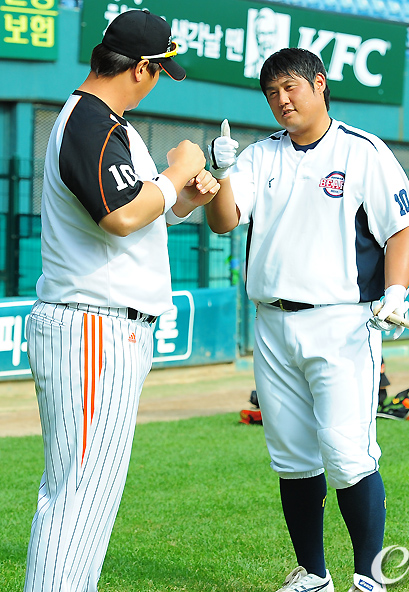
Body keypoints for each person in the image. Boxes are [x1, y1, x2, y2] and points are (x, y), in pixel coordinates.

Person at [205, 48, 409, 592]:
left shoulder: (363, 151)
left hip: (342, 324)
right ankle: (313, 575)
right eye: (271, 92)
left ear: (319, 84)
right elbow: (224, 221)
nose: (281, 100)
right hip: (272, 324)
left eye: (290, 87)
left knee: (348, 455)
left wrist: (395, 291)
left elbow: (400, 230)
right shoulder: (259, 156)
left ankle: (369, 577)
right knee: (293, 460)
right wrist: (221, 173)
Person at [23, 9, 219, 592]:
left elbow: (141, 210)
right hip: (92, 327)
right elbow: (121, 217)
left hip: (107, 328)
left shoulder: (110, 124)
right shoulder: (89, 121)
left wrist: (184, 195)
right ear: (140, 68)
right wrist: (177, 170)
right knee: (77, 496)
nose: (158, 81)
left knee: (89, 497)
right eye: (159, 71)